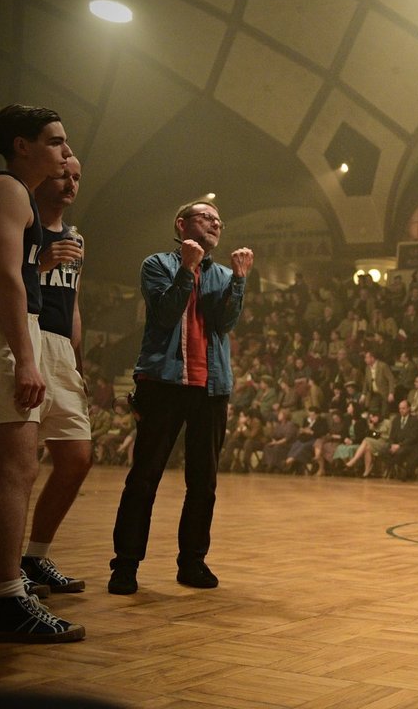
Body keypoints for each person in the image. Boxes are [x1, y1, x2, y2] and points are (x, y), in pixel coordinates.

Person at [108, 201, 254, 595]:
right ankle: (125, 566)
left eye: (219, 220)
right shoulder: (156, 264)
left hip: (211, 389)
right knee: (145, 477)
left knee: (203, 483)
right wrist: (188, 269)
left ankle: (192, 563)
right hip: (163, 383)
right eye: (207, 217)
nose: (216, 223)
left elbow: (224, 323)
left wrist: (239, 280)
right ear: (182, 223)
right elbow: (165, 314)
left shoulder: (224, 273)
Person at [0, 104, 84, 642]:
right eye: (55, 141)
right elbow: (4, 279)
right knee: (17, 467)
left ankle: (0, 590)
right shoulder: (6, 188)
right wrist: (25, 356)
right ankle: (9, 599)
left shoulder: (12, 193)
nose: (65, 152)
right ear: (22, 146)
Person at [20, 154, 93, 594]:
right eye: (64, 174)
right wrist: (40, 264)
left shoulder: (77, 238)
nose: (71, 182)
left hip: (61, 349)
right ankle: (4, 567)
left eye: (78, 178)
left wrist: (78, 362)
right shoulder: (19, 223)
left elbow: (75, 303)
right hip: (25, 338)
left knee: (77, 457)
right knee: (15, 466)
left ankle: (35, 556)